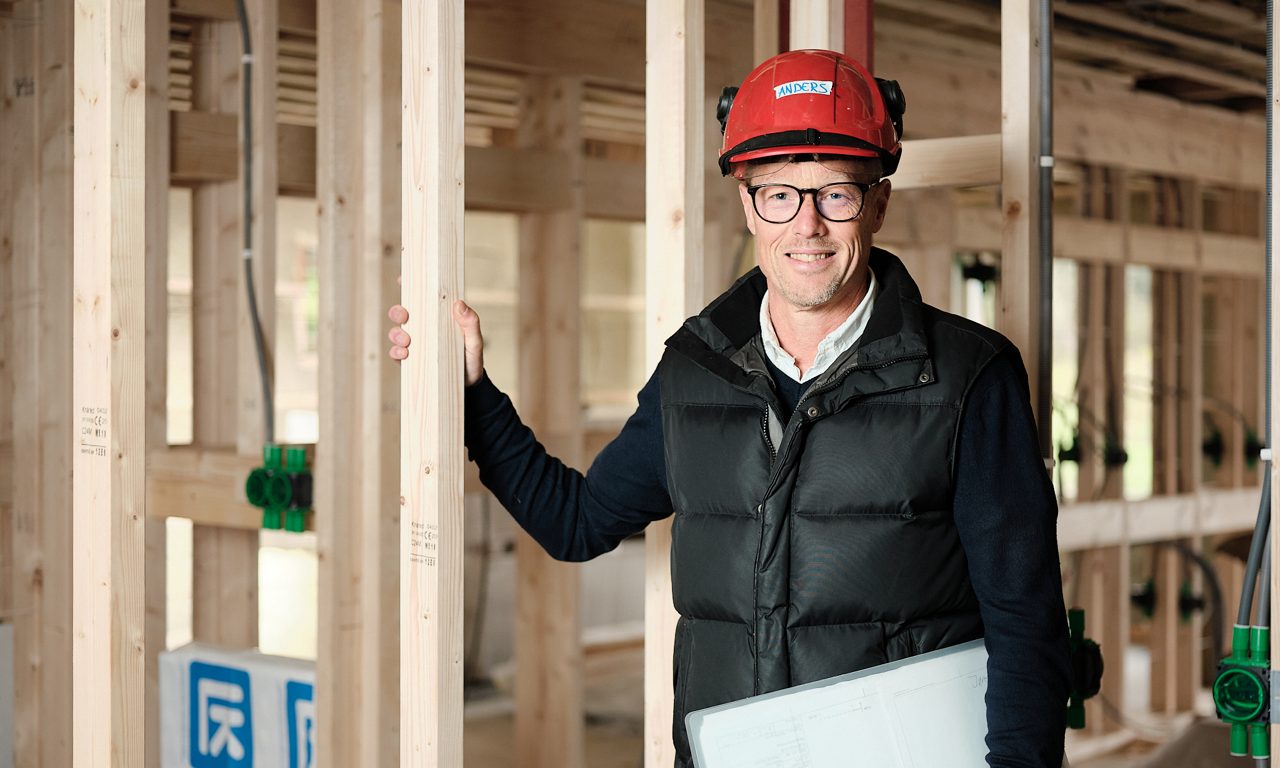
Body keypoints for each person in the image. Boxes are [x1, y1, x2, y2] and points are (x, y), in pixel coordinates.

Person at [389, 49, 1071, 768]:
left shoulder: (967, 377)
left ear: (877, 201)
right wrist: (471, 396)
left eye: (835, 193)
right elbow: (577, 520)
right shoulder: (696, 370)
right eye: (780, 194)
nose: (806, 226)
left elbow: (1025, 623)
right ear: (747, 203)